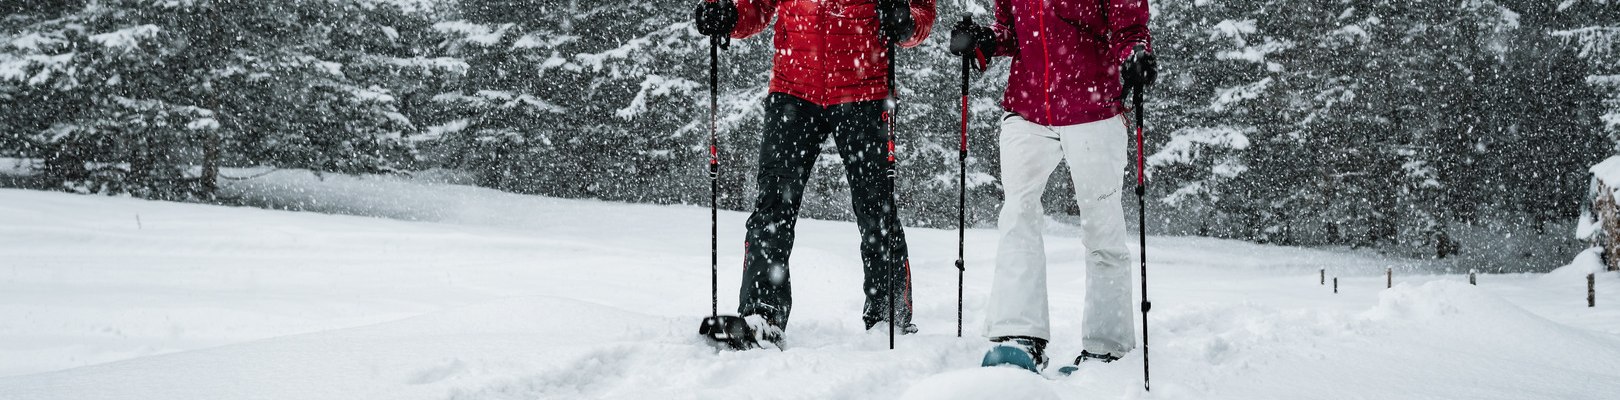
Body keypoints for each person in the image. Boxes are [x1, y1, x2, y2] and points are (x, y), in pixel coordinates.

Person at [694, 0, 936, 345]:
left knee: (875, 208)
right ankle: (762, 313)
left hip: (862, 92)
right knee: (773, 206)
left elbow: (921, 13)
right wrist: (730, 15)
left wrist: (905, 22)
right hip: (794, 90)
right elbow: (757, 6)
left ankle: (889, 316)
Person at [948, 0, 1157, 368]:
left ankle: (1106, 346)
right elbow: (1010, 31)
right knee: (1017, 214)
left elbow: (1130, 30)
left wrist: (1136, 55)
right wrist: (985, 40)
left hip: (1094, 108)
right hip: (1027, 107)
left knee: (1101, 225)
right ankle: (1019, 333)